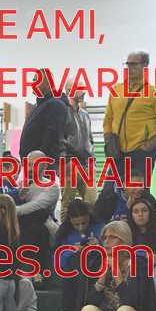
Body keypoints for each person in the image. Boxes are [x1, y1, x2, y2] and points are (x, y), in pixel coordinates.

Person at [103, 51, 156, 183]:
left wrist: (150, 145)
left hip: (142, 153)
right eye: (127, 64)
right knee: (109, 191)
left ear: (145, 65)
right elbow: (108, 119)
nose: (130, 68)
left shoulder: (154, 93)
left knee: (139, 191)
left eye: (134, 64)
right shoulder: (116, 90)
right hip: (118, 152)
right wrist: (108, 139)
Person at [53, 199, 104, 311]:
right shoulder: (64, 233)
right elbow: (58, 260)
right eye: (76, 224)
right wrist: (71, 250)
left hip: (95, 267)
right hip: (73, 270)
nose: (81, 227)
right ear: (70, 220)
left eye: (84, 223)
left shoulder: (100, 227)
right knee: (73, 263)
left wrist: (99, 245)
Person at [16, 151, 60, 274]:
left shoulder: (51, 187)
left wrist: (9, 210)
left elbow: (34, 207)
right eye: (28, 164)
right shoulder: (20, 184)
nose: (30, 168)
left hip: (40, 228)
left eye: (35, 164)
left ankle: (38, 273)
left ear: (44, 166)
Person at [61, 85, 96, 218]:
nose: (84, 91)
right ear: (69, 91)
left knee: (92, 203)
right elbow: (58, 139)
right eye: (80, 88)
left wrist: (92, 159)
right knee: (67, 203)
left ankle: (90, 229)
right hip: (70, 164)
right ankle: (63, 230)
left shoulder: (85, 114)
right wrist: (65, 161)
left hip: (86, 164)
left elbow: (90, 138)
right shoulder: (63, 112)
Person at [19, 69, 67, 165]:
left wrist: (39, 161)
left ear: (47, 83)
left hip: (43, 166)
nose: (33, 84)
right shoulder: (38, 106)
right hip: (33, 165)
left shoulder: (55, 104)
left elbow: (52, 136)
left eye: (36, 80)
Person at [129, 198, 156, 265]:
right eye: (136, 211)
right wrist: (146, 255)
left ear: (150, 214)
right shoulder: (126, 233)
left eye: (144, 210)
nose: (140, 214)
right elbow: (124, 252)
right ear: (131, 215)